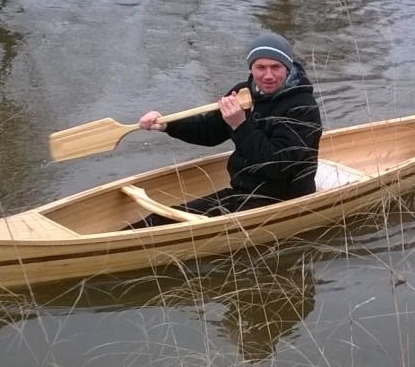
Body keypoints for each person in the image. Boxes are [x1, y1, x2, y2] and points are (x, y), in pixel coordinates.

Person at [130, 31, 322, 227]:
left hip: (283, 198)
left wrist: (240, 125)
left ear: (287, 68)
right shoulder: (242, 93)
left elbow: (280, 167)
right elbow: (209, 131)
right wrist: (167, 125)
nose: (268, 75)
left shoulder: (302, 107)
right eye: (260, 67)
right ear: (251, 69)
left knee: (172, 228)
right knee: (155, 222)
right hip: (241, 192)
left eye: (276, 67)